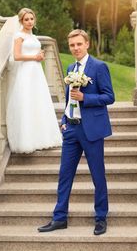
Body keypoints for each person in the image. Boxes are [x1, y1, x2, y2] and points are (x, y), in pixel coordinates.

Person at [38, 29, 115, 235]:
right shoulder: (71, 67)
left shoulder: (99, 67)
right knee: (65, 175)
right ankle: (59, 217)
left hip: (92, 130)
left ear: (87, 44)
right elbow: (69, 99)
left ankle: (100, 218)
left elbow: (109, 96)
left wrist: (85, 98)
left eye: (79, 44)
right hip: (71, 130)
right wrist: (64, 119)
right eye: (72, 45)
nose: (75, 48)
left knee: (98, 176)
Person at [6, 7, 62, 153]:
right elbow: (17, 56)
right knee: (27, 102)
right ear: (21, 21)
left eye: (31, 19)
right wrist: (34, 57)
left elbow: (33, 52)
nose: (30, 22)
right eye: (26, 19)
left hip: (36, 72)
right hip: (26, 72)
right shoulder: (19, 36)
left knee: (39, 102)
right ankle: (27, 140)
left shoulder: (33, 37)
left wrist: (40, 55)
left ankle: (42, 138)